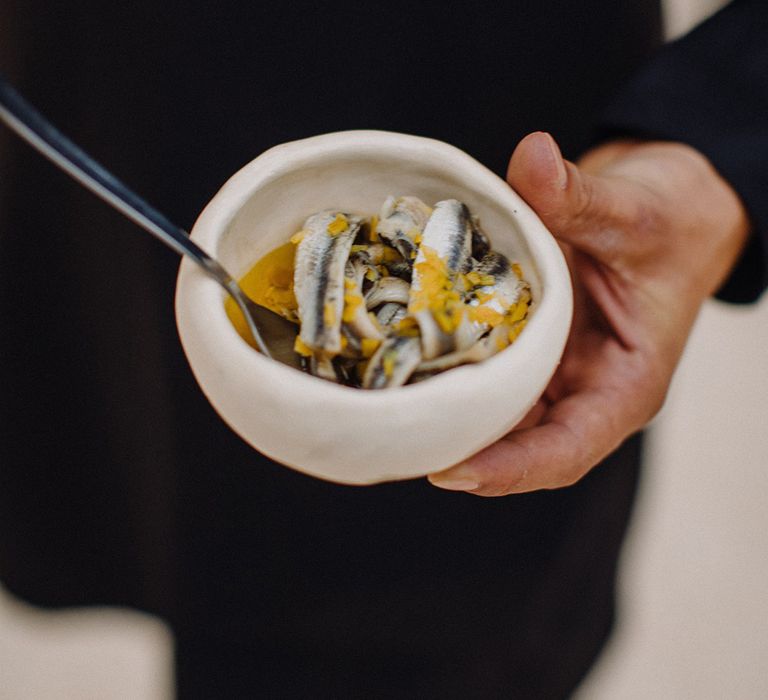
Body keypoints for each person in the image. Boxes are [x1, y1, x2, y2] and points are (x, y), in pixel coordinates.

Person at [0, 1, 765, 697]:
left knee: (427, 633)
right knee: (100, 447)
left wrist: (721, 138)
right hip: (102, 125)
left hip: (517, 103)